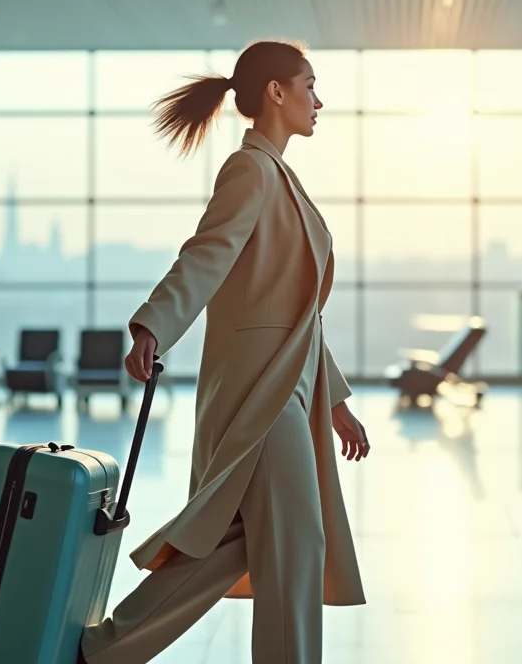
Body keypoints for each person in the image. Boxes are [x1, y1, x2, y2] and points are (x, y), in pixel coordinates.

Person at [79, 40, 369, 664]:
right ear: (276, 92)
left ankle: (106, 650)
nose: (319, 100)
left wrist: (334, 399)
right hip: (257, 391)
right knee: (296, 541)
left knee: (239, 538)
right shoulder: (252, 171)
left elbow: (297, 314)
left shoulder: (278, 174)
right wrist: (155, 324)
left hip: (286, 381)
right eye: (310, 85)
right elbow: (207, 254)